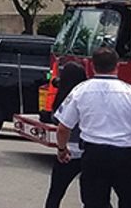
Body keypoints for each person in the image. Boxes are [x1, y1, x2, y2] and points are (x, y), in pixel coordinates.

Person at [54, 48, 131, 208]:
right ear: (117, 66)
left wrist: (62, 149)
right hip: (125, 157)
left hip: (94, 156)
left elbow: (63, 128)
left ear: (92, 66)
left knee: (95, 202)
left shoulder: (80, 91)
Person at [44, 62, 87, 208]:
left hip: (68, 152)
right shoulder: (86, 96)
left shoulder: (66, 98)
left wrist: (61, 149)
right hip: (88, 152)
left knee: (55, 194)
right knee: (92, 196)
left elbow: (58, 123)